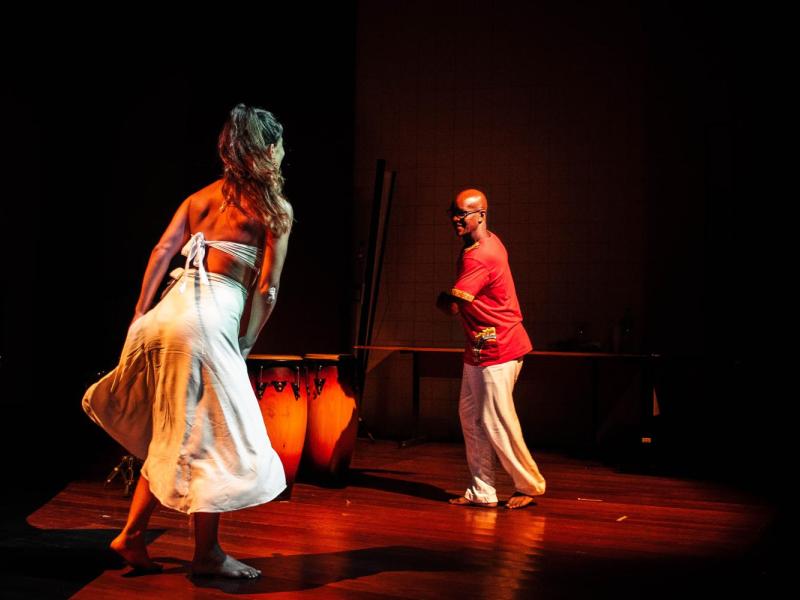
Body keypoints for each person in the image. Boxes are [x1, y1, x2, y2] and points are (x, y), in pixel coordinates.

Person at [82, 104, 293, 578]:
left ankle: (133, 535)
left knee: (175, 432)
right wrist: (247, 340)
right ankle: (207, 553)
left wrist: (139, 315)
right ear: (265, 150)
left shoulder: (198, 198)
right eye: (279, 144)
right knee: (212, 436)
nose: (283, 152)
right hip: (205, 326)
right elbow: (267, 288)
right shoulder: (274, 208)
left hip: (166, 315)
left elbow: (162, 250)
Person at [436, 188, 546, 509]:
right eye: (453, 213)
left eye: (462, 214)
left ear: (481, 215)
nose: (455, 219)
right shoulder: (484, 242)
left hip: (499, 347)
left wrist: (442, 299)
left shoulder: (481, 256)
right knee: (472, 418)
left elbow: (453, 306)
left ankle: (529, 485)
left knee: (497, 420)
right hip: (480, 346)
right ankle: (483, 490)